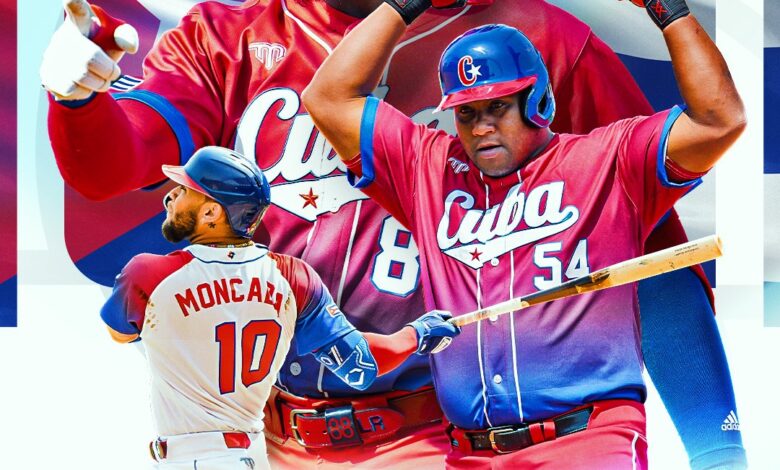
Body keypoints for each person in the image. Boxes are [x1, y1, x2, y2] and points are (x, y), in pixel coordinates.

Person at [41, 0, 745, 468]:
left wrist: (720, 451)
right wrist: (77, 103)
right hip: (272, 435)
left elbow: (651, 264)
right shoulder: (227, 35)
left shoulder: (536, 36)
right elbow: (118, 163)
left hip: (438, 434)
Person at [302, 0, 745, 467]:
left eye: (498, 106)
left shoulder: (610, 161)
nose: (482, 127)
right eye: (467, 113)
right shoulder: (427, 168)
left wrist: (669, 12)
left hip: (585, 442)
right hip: (467, 452)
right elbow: (328, 98)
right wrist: (404, 4)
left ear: (537, 101)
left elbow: (720, 120)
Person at [101, 145, 459, 468]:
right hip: (254, 456)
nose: (171, 197)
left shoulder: (148, 273)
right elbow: (358, 368)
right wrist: (416, 334)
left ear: (211, 213)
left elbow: (119, 333)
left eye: (184, 191)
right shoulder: (292, 276)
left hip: (190, 456)